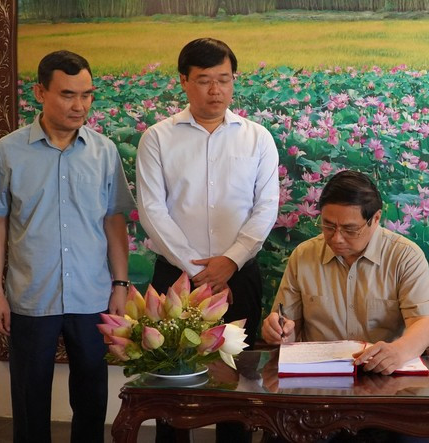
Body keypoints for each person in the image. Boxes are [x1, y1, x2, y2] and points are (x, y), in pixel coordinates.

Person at [0, 50, 135, 443]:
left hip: (91, 294)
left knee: (92, 397)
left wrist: (119, 285)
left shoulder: (104, 152)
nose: (79, 105)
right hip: (31, 295)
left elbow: (114, 221)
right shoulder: (9, 151)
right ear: (40, 92)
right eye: (67, 94)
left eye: (87, 94)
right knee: (29, 401)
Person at [135, 37, 279, 442]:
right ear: (183, 81)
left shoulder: (257, 138)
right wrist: (198, 273)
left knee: (238, 383)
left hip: (240, 276)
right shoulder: (157, 139)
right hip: (175, 278)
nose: (215, 90)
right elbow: (152, 210)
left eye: (224, 79)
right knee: (172, 384)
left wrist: (229, 262)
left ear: (234, 81)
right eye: (204, 80)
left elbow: (265, 207)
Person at [261, 170, 429, 443]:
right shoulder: (304, 255)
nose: (337, 238)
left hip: (386, 385)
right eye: (328, 225)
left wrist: (396, 351)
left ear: (376, 218)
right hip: (319, 387)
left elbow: (424, 325)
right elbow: (288, 326)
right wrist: (279, 330)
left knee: (413, 436)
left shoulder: (405, 256)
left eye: (350, 229)